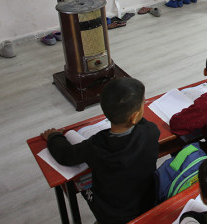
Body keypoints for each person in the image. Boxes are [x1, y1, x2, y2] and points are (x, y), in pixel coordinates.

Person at [41, 79, 159, 224]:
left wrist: (54, 137)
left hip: (110, 215)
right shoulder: (151, 132)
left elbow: (66, 155)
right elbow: (142, 123)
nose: (145, 103)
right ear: (134, 116)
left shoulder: (97, 144)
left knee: (83, 185)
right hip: (146, 203)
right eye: (143, 102)